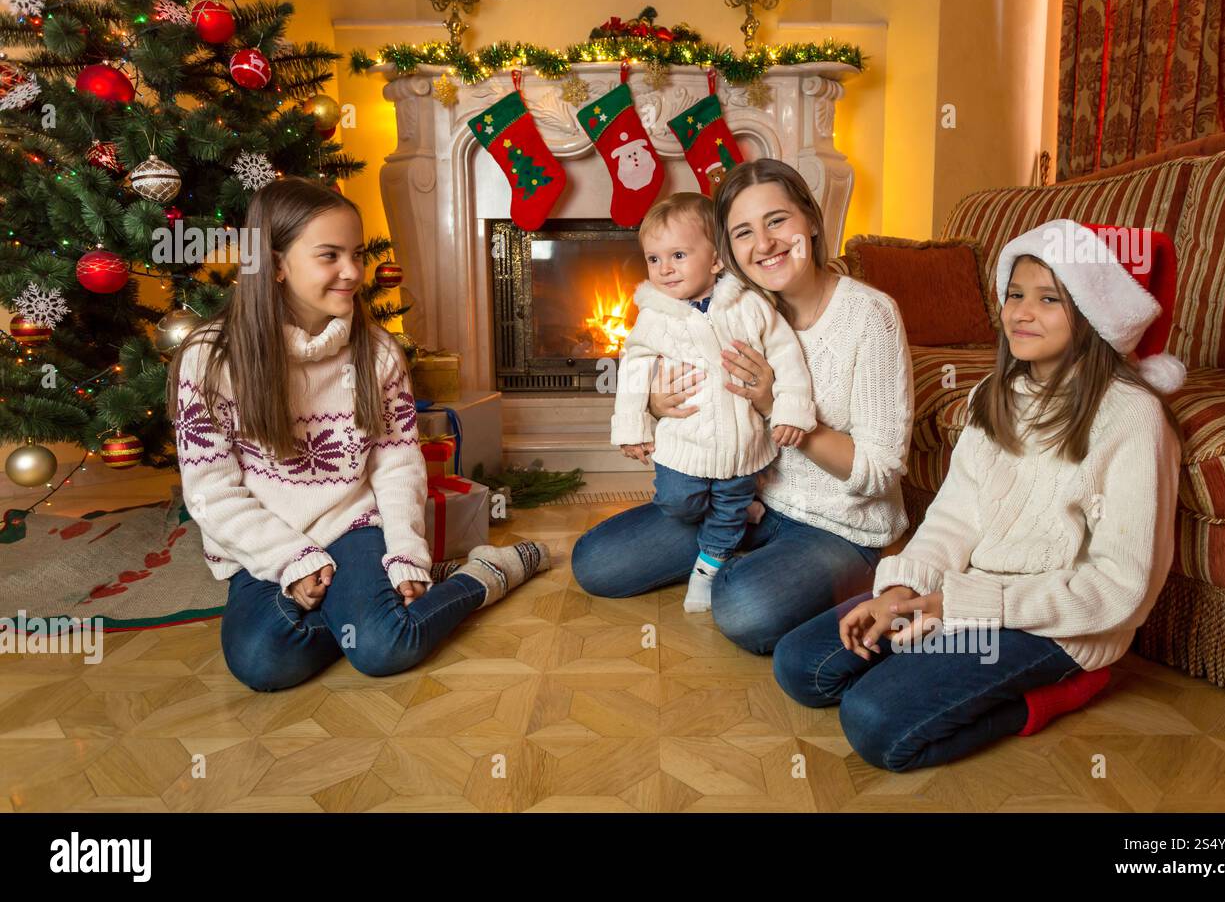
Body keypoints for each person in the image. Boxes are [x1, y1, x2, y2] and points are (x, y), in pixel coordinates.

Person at [773, 218, 1185, 771]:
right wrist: (899, 591)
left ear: (1092, 312)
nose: (1020, 312)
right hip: (966, 598)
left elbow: (1119, 588)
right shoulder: (996, 394)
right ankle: (927, 651)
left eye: (1048, 299)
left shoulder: (1133, 418)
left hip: (1053, 624)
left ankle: (1051, 694)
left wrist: (961, 609)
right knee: (801, 664)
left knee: (873, 721)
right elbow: (954, 517)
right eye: (1015, 294)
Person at [165, 177, 550, 692]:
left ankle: (484, 574)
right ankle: (372, 617)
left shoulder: (377, 352)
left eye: (357, 254)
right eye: (330, 256)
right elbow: (209, 492)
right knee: (261, 663)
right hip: (266, 538)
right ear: (276, 264)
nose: (352, 272)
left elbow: (396, 463)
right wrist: (291, 562)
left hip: (352, 525)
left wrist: (407, 552)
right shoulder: (211, 359)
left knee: (384, 649)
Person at [573, 158, 914, 653]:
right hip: (745, 499)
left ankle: (812, 578)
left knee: (744, 607)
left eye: (777, 221)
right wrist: (652, 401)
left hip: (840, 526)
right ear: (724, 251)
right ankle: (738, 558)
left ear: (812, 222)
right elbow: (655, 354)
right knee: (596, 561)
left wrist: (777, 404)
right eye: (743, 232)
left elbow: (881, 471)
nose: (764, 244)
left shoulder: (869, 316)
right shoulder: (734, 303)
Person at [612, 192, 816, 613]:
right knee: (676, 501)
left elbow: (786, 354)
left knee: (728, 509)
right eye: (654, 259)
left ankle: (707, 568)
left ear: (717, 259)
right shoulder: (655, 315)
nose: (664, 269)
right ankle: (743, 514)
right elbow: (633, 366)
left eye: (679, 255)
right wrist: (633, 424)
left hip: (741, 444)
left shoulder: (749, 305)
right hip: (683, 444)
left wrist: (792, 408)